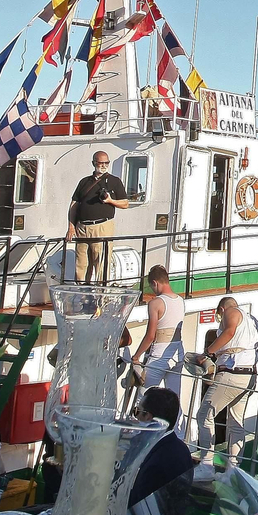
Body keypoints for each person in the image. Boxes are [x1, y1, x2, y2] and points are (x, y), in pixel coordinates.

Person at [193, 297, 258, 466]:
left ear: (221, 309)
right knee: (235, 422)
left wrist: (207, 353)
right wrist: (251, 360)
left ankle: (206, 464)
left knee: (204, 415)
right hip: (248, 375)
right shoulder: (252, 319)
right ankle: (234, 467)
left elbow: (230, 332)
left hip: (231, 374)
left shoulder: (231, 311)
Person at [126, 387, 195, 515]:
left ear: (148, 417)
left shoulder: (160, 461)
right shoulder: (179, 448)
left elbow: (142, 513)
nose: (135, 417)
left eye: (138, 412)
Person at [68, 152, 129, 284]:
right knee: (81, 262)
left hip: (102, 226)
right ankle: (81, 291)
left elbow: (125, 203)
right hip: (82, 227)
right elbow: (74, 204)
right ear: (94, 163)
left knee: (100, 262)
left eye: (106, 163)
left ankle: (101, 293)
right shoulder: (84, 182)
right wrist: (71, 226)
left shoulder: (114, 181)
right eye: (100, 163)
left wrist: (110, 201)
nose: (103, 165)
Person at [130, 266, 187, 395]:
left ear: (155, 283)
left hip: (159, 357)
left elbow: (150, 336)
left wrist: (136, 356)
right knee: (174, 398)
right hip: (177, 355)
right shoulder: (180, 301)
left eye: (152, 287)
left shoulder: (156, 303)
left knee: (144, 396)